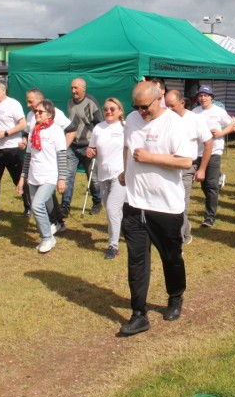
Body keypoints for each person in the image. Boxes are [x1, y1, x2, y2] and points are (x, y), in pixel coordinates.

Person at [118, 81, 195, 335]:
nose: (140, 112)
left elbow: (185, 161)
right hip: (135, 203)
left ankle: (175, 296)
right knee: (136, 261)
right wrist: (125, 170)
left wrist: (151, 158)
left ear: (158, 99)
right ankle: (139, 313)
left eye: (144, 107)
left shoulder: (174, 123)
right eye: (136, 107)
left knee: (171, 257)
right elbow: (128, 147)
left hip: (166, 206)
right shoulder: (131, 119)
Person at [17, 99, 68, 253]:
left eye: (40, 112)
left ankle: (48, 238)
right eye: (36, 111)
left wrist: (62, 179)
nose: (36, 114)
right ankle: (46, 236)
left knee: (37, 205)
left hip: (49, 176)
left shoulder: (56, 130)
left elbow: (61, 155)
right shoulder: (34, 129)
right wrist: (22, 178)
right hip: (33, 175)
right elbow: (28, 156)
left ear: (50, 114)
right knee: (37, 208)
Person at [164, 90, 213, 245]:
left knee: (181, 202)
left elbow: (208, 144)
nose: (169, 109)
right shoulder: (164, 119)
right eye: (166, 106)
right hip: (168, 165)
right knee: (168, 201)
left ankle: (180, 237)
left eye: (172, 106)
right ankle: (182, 231)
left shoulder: (195, 119)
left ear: (182, 103)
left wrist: (202, 169)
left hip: (187, 167)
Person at [86, 97, 126, 259]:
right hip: (103, 174)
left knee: (111, 208)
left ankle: (113, 246)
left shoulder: (125, 127)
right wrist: (90, 151)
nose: (108, 111)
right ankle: (124, 231)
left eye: (112, 109)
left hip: (120, 174)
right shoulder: (99, 128)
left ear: (120, 112)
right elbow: (91, 148)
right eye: (106, 109)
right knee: (114, 211)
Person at [0, 78, 27, 222]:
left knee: (18, 180)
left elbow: (22, 124)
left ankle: (29, 207)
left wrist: (6, 133)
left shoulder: (13, 104)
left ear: (3, 90)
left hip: (13, 149)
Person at [192, 85, 235, 227]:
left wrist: (222, 133)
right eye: (200, 96)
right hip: (197, 152)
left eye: (206, 95)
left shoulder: (219, 111)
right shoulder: (194, 112)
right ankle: (218, 179)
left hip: (214, 151)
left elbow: (231, 124)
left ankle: (210, 217)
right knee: (203, 184)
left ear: (211, 97)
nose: (203, 98)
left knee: (210, 185)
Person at [62, 78, 103, 217]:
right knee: (68, 175)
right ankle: (65, 205)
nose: (73, 91)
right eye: (72, 88)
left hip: (88, 146)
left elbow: (100, 124)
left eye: (76, 88)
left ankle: (97, 201)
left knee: (93, 178)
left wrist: (95, 145)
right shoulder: (69, 102)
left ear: (84, 88)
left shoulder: (91, 102)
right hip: (72, 146)